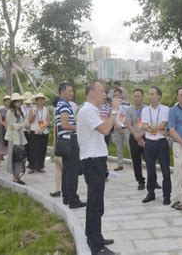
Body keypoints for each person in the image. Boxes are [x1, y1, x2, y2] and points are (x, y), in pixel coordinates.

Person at [77, 81, 120, 255]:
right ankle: (97, 247)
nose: (105, 94)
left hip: (97, 160)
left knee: (96, 203)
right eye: (102, 91)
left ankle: (94, 236)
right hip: (92, 162)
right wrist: (115, 111)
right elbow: (105, 129)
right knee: (95, 204)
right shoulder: (87, 110)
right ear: (92, 93)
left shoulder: (92, 111)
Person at [55, 83, 86, 208]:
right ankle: (73, 200)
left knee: (67, 169)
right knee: (72, 170)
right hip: (69, 140)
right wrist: (79, 127)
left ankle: (67, 197)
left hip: (64, 140)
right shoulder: (64, 106)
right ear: (62, 92)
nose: (71, 93)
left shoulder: (61, 104)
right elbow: (65, 125)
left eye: (72, 91)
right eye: (69, 91)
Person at [140, 86, 171, 205]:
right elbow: (143, 126)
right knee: (150, 170)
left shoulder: (165, 109)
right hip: (149, 143)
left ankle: (166, 195)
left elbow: (163, 125)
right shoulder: (145, 110)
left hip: (161, 143)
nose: (150, 96)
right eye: (149, 94)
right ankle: (150, 193)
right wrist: (152, 128)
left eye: (152, 94)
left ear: (158, 96)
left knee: (165, 170)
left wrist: (150, 127)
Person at [126, 89, 148, 190]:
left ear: (142, 97)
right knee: (136, 160)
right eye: (134, 96)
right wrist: (136, 135)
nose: (136, 98)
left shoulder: (147, 109)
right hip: (134, 136)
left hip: (146, 136)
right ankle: (140, 181)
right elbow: (128, 124)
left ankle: (153, 180)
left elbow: (149, 124)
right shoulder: (129, 110)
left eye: (138, 96)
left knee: (149, 159)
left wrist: (142, 134)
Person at [5, 93, 28, 185]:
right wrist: (23, 125)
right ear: (13, 102)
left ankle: (18, 176)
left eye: (20, 101)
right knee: (14, 156)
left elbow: (23, 123)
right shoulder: (10, 112)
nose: (19, 103)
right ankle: (15, 177)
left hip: (21, 136)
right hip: (13, 137)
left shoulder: (20, 111)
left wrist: (26, 125)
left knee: (21, 156)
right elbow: (12, 126)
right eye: (17, 101)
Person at [28, 93, 51, 174]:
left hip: (43, 131)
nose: (41, 101)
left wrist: (43, 128)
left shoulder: (46, 109)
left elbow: (48, 121)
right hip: (34, 130)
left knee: (42, 149)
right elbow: (30, 121)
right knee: (33, 149)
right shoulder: (33, 109)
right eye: (39, 99)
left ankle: (40, 166)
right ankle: (31, 166)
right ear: (36, 100)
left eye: (42, 99)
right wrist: (34, 114)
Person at [112, 88, 130, 171]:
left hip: (126, 128)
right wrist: (117, 126)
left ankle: (135, 163)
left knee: (130, 146)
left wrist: (123, 126)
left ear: (121, 95)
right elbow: (112, 117)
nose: (115, 96)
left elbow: (128, 116)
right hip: (117, 128)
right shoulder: (113, 105)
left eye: (117, 94)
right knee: (119, 148)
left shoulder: (127, 104)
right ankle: (120, 164)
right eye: (114, 95)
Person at [0, 95, 11, 165]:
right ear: (4, 102)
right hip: (3, 128)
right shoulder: (1, 110)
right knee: (2, 143)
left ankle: (10, 159)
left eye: (9, 101)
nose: (8, 102)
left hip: (10, 128)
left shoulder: (12, 110)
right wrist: (5, 125)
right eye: (6, 101)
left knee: (10, 143)